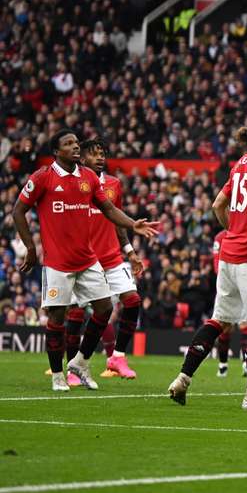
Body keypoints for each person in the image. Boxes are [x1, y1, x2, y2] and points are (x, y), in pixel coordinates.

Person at [13, 129, 158, 392]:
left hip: (88, 260)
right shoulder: (43, 177)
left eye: (76, 143)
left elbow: (109, 209)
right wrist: (30, 247)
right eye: (68, 144)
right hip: (57, 262)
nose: (75, 147)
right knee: (57, 317)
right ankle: (58, 375)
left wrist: (132, 224)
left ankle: (80, 362)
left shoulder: (89, 177)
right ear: (57, 151)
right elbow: (18, 210)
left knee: (104, 308)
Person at [168, 110, 247, 411]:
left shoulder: (241, 164)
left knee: (219, 320)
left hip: (229, 254)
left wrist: (234, 231)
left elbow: (217, 204)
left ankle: (183, 378)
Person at [77, 138, 146, 379]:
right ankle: (75, 366)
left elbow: (118, 224)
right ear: (82, 158)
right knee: (76, 313)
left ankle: (117, 357)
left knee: (133, 301)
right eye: (94, 154)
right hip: (83, 260)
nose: (100, 158)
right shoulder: (75, 184)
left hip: (112, 258)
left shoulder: (114, 184)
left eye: (102, 154)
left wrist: (130, 253)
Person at [211, 229, 247, 378]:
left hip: (244, 284)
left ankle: (246, 363)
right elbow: (216, 263)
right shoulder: (220, 237)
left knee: (245, 325)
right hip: (226, 285)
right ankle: (223, 365)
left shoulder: (245, 232)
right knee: (224, 326)